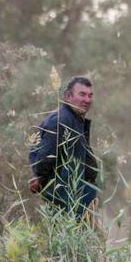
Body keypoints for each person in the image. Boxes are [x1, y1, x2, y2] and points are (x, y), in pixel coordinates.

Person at [29, 76, 99, 216]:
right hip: (65, 205)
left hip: (76, 203)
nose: (87, 100)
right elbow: (42, 162)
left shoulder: (76, 121)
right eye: (82, 94)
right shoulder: (59, 121)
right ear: (68, 96)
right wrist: (39, 177)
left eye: (90, 95)